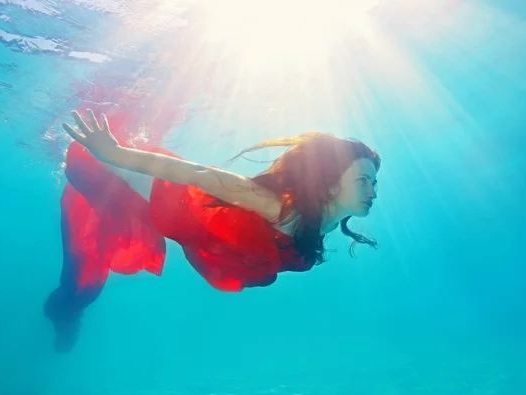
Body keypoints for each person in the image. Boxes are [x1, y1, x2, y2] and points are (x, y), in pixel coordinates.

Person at [44, 109, 381, 352]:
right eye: (363, 181)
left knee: (88, 277)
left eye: (374, 181)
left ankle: (68, 308)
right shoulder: (278, 207)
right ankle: (65, 312)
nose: (372, 191)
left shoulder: (329, 216)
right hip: (149, 193)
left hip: (183, 219)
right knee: (83, 280)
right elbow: (201, 174)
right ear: (331, 186)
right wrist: (114, 153)